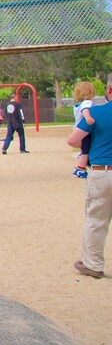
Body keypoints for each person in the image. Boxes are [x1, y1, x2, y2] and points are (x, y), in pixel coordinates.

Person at [66, 75, 112, 279]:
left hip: (103, 172)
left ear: (109, 91)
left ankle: (93, 264)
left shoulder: (96, 112)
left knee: (96, 221)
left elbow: (73, 140)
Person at [72, 81, 97, 178]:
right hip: (85, 131)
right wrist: (88, 117)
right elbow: (85, 110)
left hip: (78, 130)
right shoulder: (87, 102)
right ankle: (80, 169)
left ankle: (82, 158)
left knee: (84, 149)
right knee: (85, 151)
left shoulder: (77, 105)